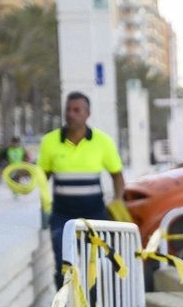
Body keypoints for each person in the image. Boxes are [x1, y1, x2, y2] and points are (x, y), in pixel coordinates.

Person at [37, 91, 125, 288]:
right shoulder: (49, 141)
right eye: (68, 109)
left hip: (94, 215)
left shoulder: (103, 141)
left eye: (77, 110)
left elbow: (117, 176)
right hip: (61, 216)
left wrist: (118, 201)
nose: (71, 114)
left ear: (87, 114)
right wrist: (32, 188)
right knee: (63, 267)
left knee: (94, 267)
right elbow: (42, 177)